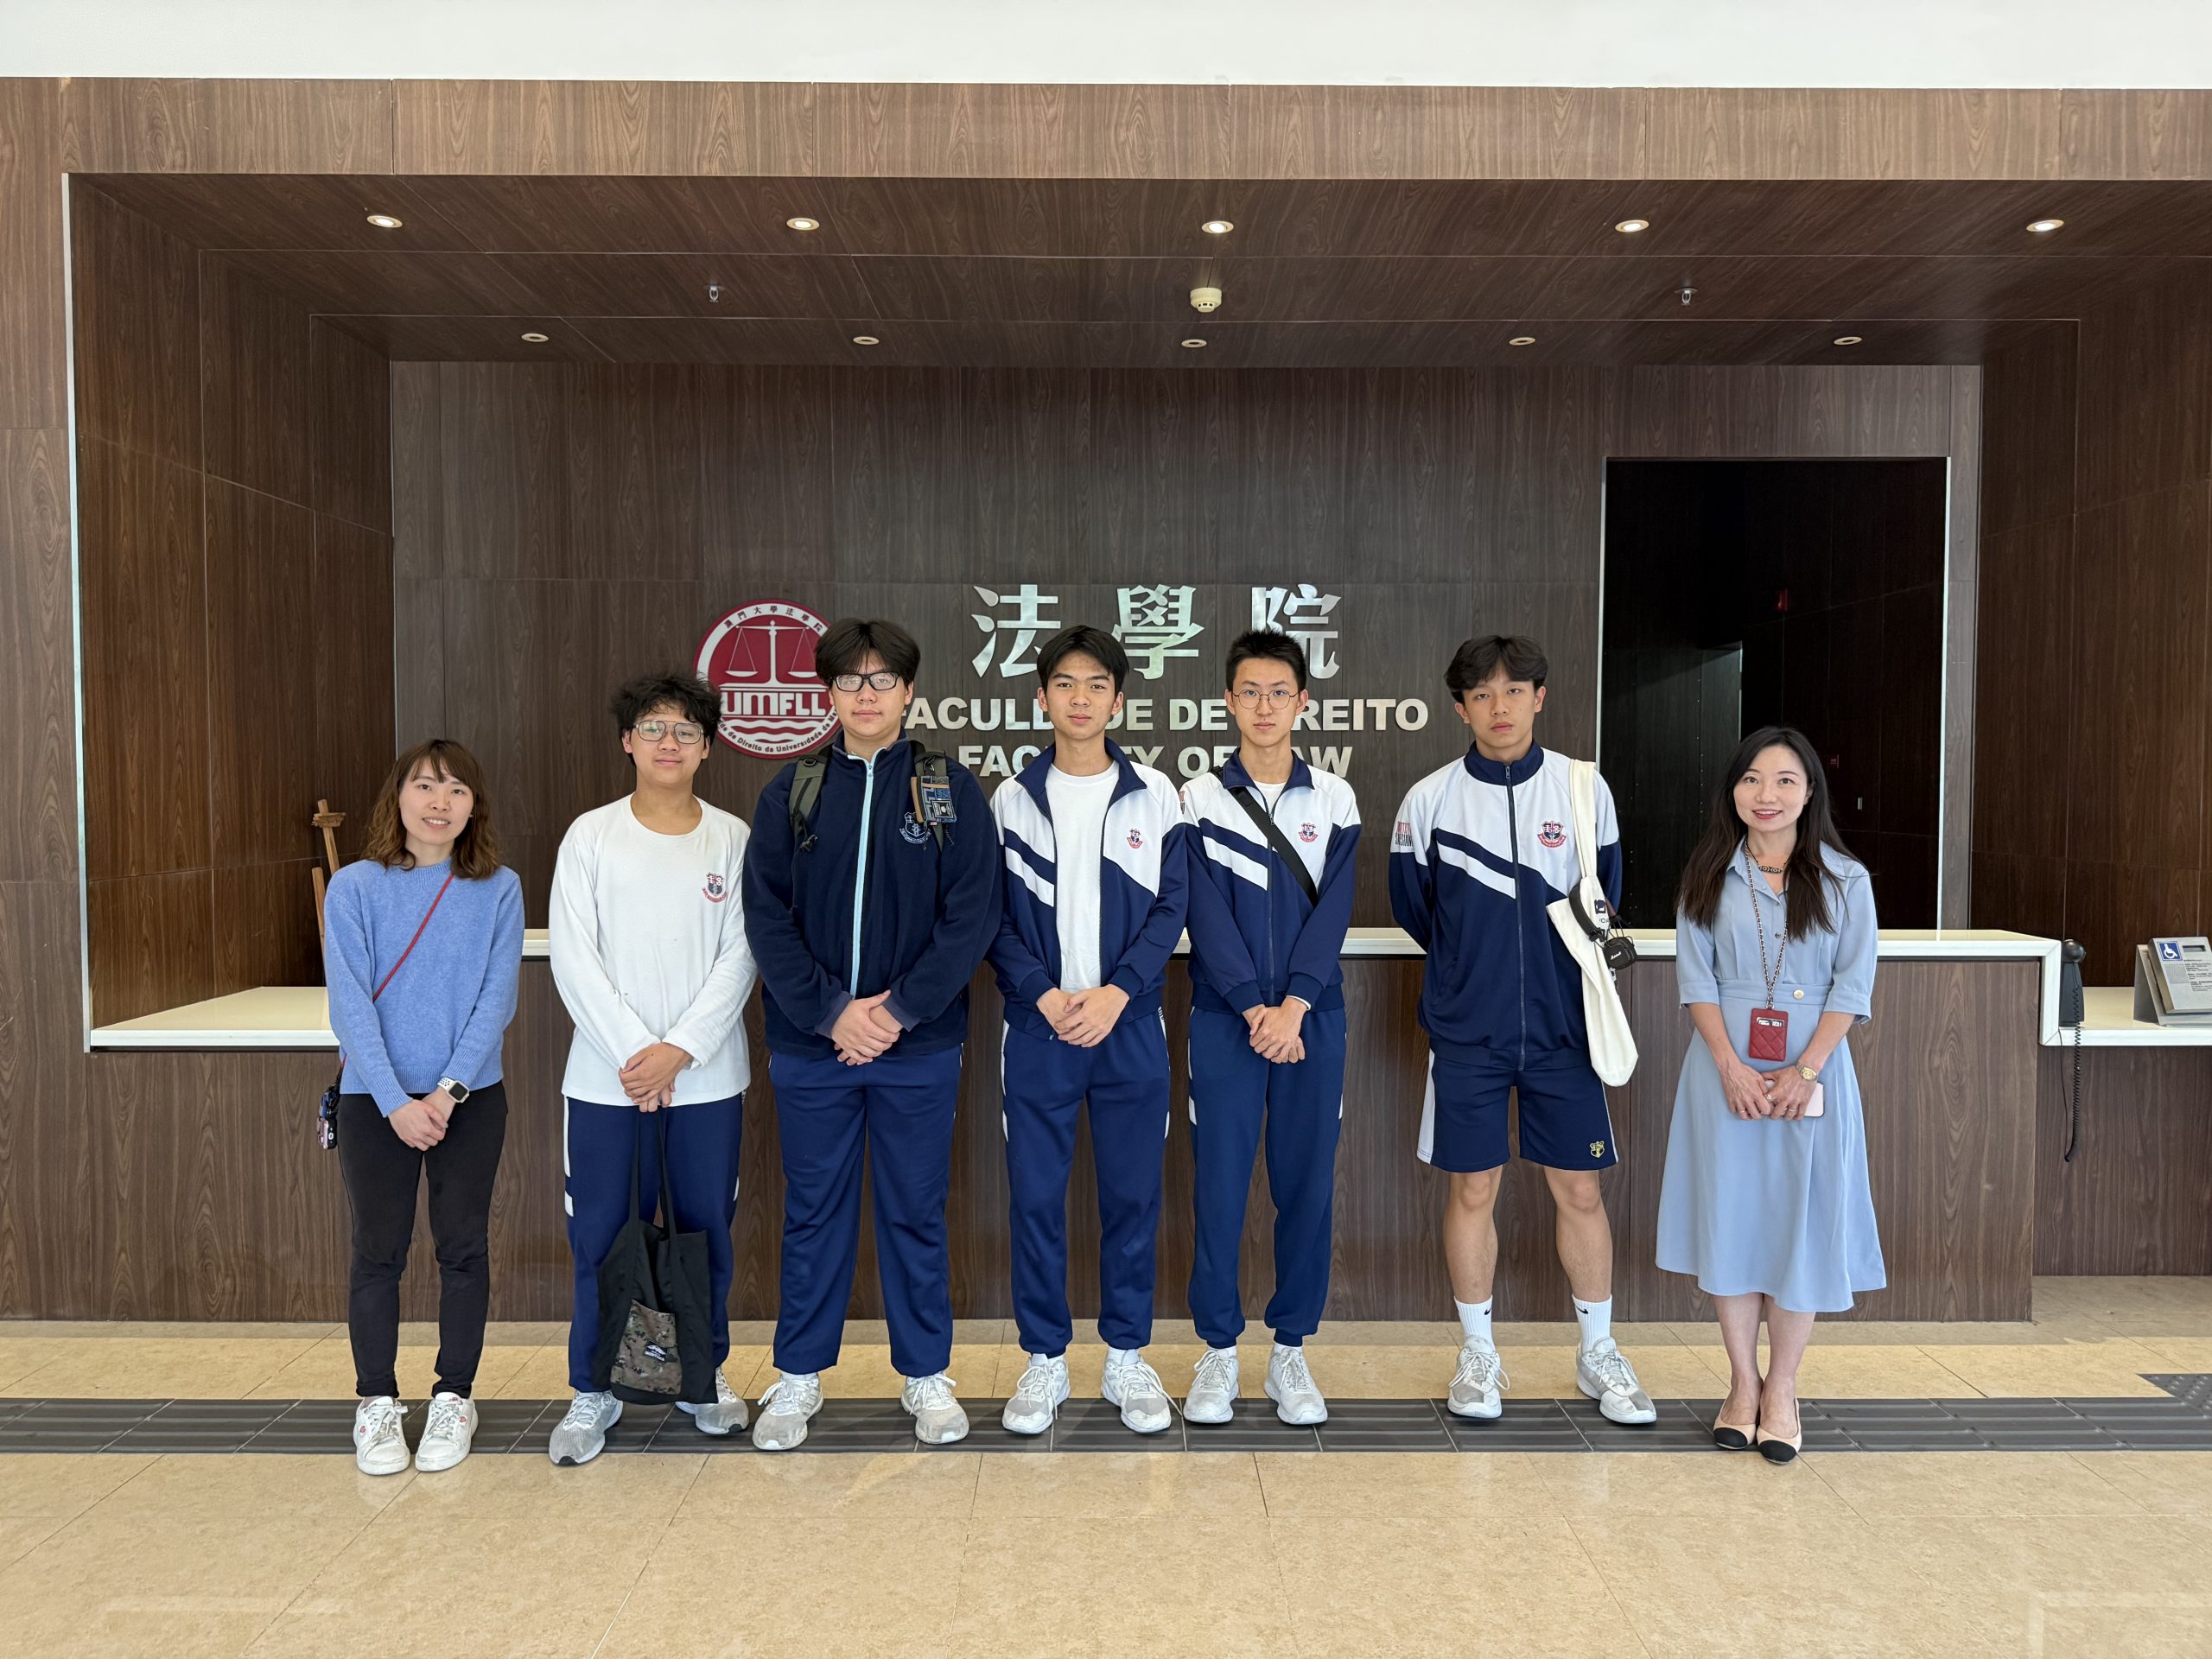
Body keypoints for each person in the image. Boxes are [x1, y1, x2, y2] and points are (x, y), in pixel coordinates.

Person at [741, 619, 1000, 1450]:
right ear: (829, 694)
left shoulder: (944, 788)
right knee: (813, 1213)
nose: (866, 694)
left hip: (916, 1048)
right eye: (850, 680)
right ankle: (797, 1377)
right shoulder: (793, 791)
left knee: (915, 1212)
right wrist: (831, 1013)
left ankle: (925, 1374)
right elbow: (766, 917)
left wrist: (896, 1012)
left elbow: (972, 914)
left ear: (908, 692)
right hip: (811, 1047)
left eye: (882, 679)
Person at [1389, 633, 1656, 1426]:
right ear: (1461, 708)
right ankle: (1478, 1355)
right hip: (1467, 1034)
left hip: (1566, 1030)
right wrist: (1471, 978)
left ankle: (1598, 1353)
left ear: (1539, 697)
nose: (1498, 707)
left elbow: (1607, 894)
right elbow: (1416, 912)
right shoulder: (1429, 800)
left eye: (1513, 691)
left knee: (1580, 1189)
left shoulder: (1582, 789)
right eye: (1481, 694)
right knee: (1473, 1187)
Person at [546, 671, 758, 1467]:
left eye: (687, 731)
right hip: (608, 1083)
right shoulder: (590, 836)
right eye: (654, 728)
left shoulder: (732, 839)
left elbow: (743, 955)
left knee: (705, 1234)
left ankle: (701, 1377)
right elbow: (574, 957)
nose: (670, 743)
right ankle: (593, 1388)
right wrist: (639, 1055)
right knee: (601, 1236)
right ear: (627, 741)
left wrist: (681, 1051)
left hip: (707, 1080)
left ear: (708, 748)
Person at [1656, 726, 1884, 1464]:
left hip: (1811, 1075)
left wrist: (1805, 1070)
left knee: (1800, 1229)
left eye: (1785, 780)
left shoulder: (1846, 880)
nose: (1767, 795)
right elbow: (1696, 980)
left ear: (1810, 793)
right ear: (1733, 791)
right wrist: (1729, 1065)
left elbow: (1852, 987)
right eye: (1752, 779)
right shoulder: (1707, 874)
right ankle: (1740, 1384)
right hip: (1723, 1073)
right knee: (1733, 1221)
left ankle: (1782, 1389)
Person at [988, 625, 1190, 1436]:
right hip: (1038, 1030)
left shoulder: (1155, 794)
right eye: (1065, 684)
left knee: (1132, 1198)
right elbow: (991, 916)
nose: (1081, 698)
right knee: (1036, 1199)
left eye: (1096, 684)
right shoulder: (1010, 798)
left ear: (1118, 699)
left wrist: (1117, 993)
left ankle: (1126, 1357)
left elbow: (1172, 905)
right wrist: (1041, 994)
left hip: (1129, 1027)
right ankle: (1044, 1359)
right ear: (1042, 697)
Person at [324, 740, 524, 1476]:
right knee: (377, 1252)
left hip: (468, 1100)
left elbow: (496, 999)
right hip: (373, 1100)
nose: (440, 802)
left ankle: (454, 1396)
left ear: (475, 806)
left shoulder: (499, 888)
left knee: (463, 1248)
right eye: (426, 786)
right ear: (398, 797)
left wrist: (445, 1093)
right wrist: (394, 1102)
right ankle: (376, 1401)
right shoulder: (354, 887)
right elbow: (349, 1004)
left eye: (457, 790)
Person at [1177, 629, 1360, 1425]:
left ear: (1302, 702)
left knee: (1306, 1187)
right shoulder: (1195, 799)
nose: (1264, 706)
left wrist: (1295, 1005)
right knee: (1218, 1186)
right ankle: (1218, 1350)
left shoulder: (1336, 799)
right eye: (1249, 692)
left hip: (1312, 1022)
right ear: (1228, 701)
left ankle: (1290, 1351)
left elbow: (1336, 910)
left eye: (1279, 692)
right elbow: (1202, 912)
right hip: (1227, 1021)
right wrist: (1255, 1005)